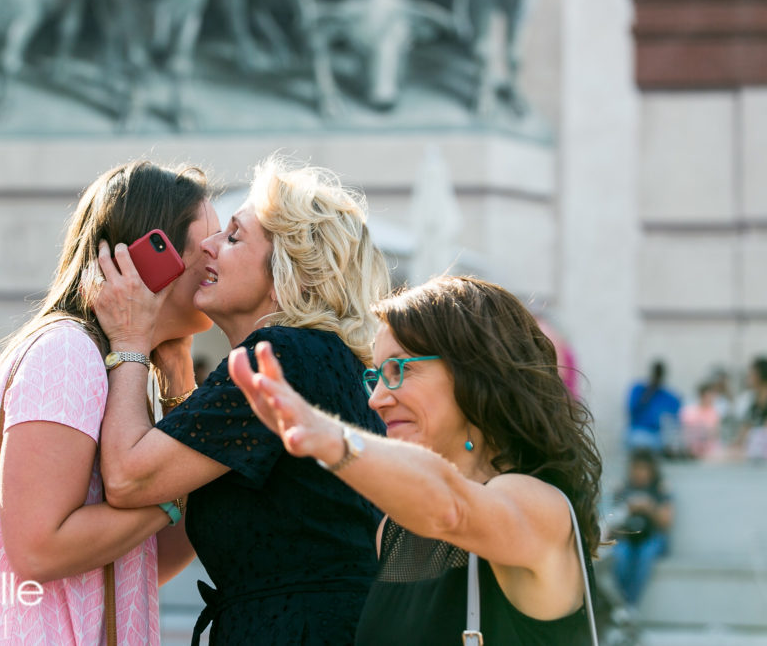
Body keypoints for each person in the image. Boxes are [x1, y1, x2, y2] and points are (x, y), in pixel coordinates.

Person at [0, 161, 217, 645]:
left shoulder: (121, 366)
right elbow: (41, 548)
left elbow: (149, 557)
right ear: (150, 258)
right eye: (207, 242)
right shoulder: (67, 353)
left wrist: (178, 375)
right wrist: (169, 492)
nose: (218, 255)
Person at [94, 157, 391, 644]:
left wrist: (129, 339)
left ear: (288, 273)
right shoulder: (327, 358)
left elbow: (128, 477)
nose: (206, 246)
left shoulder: (278, 357)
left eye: (232, 237)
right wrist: (176, 374)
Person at [230, 275, 603, 644]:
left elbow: (453, 509)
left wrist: (328, 436)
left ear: (475, 372)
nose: (376, 398)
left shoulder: (540, 507)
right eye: (374, 376)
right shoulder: (393, 530)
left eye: (399, 369)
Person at [609, 448, 672, 608]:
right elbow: (609, 520)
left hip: (651, 537)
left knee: (646, 555)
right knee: (620, 556)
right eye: (637, 468)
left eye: (644, 469)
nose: (640, 473)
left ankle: (629, 605)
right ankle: (620, 603)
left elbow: (666, 522)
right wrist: (627, 509)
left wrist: (649, 507)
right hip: (626, 537)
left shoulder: (660, 489)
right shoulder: (622, 488)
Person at [626, 360, 682, 455]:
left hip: (659, 435)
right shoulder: (639, 390)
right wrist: (649, 392)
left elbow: (676, 416)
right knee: (640, 440)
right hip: (639, 431)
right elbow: (632, 410)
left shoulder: (668, 396)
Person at [679, 382, 720, 459]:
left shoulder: (714, 413)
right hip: (690, 449)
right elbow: (685, 432)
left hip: (709, 450)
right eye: (710, 395)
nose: (712, 398)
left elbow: (714, 434)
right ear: (702, 395)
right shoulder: (688, 411)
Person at [738, 356, 767, 461]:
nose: (748, 377)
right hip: (753, 457)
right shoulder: (752, 403)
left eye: (751, 374)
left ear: (760, 375)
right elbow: (743, 432)